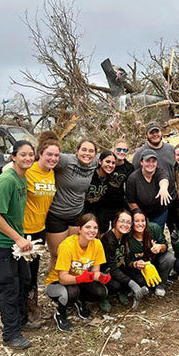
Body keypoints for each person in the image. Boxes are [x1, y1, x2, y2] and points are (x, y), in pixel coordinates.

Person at [0, 140, 36, 350]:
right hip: (0, 243)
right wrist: (18, 238)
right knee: (9, 288)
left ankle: (21, 321)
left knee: (25, 280)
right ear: (13, 157)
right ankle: (11, 334)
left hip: (14, 242)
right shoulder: (8, 180)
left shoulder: (22, 178)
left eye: (31, 155)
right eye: (23, 155)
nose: (28, 158)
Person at [45, 214, 111, 332]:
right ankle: (60, 314)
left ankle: (80, 301)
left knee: (101, 292)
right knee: (72, 292)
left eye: (95, 228)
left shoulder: (97, 244)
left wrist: (101, 277)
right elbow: (63, 278)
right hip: (56, 283)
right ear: (79, 229)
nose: (92, 231)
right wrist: (81, 279)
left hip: (79, 279)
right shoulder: (67, 246)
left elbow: (95, 272)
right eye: (88, 227)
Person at [22, 131, 60, 325]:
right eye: (49, 155)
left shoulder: (52, 172)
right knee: (23, 272)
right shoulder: (27, 171)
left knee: (33, 269)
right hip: (23, 230)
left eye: (56, 156)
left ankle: (33, 307)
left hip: (39, 229)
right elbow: (7, 185)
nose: (53, 159)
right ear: (40, 154)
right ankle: (24, 312)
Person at [45, 139, 98, 272]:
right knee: (57, 254)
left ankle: (71, 285)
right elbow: (42, 158)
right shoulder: (65, 161)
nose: (87, 153)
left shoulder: (94, 163)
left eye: (91, 151)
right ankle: (53, 286)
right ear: (77, 151)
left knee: (74, 254)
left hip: (76, 214)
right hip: (57, 214)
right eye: (84, 150)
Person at [132, 121, 178, 230]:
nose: (155, 135)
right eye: (151, 133)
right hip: (152, 205)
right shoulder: (140, 153)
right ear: (147, 135)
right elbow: (134, 175)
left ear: (161, 133)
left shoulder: (171, 149)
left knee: (176, 232)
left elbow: (176, 170)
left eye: (157, 132)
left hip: (172, 198)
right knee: (155, 233)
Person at [100, 210, 149, 311]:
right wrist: (132, 284)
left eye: (128, 222)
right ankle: (104, 297)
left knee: (140, 279)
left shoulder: (125, 236)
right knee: (115, 285)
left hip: (121, 267)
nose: (125, 225)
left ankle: (122, 290)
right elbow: (111, 267)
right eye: (122, 221)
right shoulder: (109, 240)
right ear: (115, 222)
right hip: (106, 271)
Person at [126, 209, 175, 297]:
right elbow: (128, 261)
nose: (141, 224)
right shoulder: (127, 238)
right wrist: (135, 264)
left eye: (143, 221)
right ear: (131, 223)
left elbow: (165, 246)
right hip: (141, 268)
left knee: (170, 258)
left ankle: (161, 284)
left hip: (156, 261)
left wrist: (160, 247)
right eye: (137, 221)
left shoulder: (154, 228)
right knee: (143, 282)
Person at [126, 149, 172, 229]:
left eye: (153, 161)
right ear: (141, 162)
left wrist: (163, 188)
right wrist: (141, 217)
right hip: (141, 214)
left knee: (156, 233)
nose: (150, 164)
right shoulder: (133, 179)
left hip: (159, 213)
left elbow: (164, 179)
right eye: (147, 161)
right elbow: (131, 202)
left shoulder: (160, 172)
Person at [100, 139, 134, 229]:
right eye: (119, 149)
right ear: (113, 150)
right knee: (103, 229)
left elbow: (130, 187)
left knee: (119, 229)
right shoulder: (106, 163)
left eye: (125, 150)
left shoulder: (129, 167)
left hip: (118, 203)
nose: (121, 152)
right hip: (102, 203)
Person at [84, 150, 117, 233]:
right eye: (107, 162)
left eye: (113, 163)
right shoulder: (90, 174)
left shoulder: (110, 177)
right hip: (83, 210)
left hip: (99, 210)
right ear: (100, 161)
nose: (110, 165)